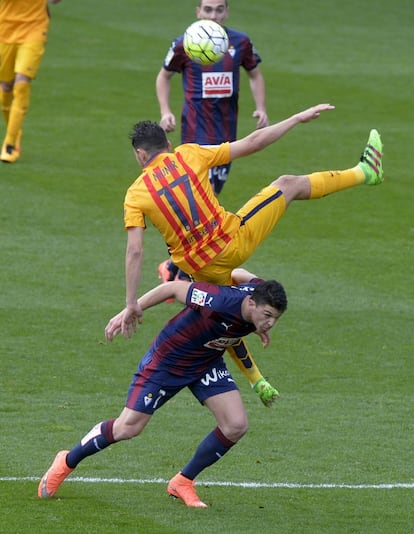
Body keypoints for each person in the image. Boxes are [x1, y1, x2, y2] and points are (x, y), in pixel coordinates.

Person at [117, 103, 384, 408]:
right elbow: (252, 142)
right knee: (288, 184)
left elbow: (135, 249)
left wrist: (130, 304)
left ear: (140, 155)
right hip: (233, 243)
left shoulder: (135, 194)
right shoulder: (188, 154)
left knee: (225, 314)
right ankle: (365, 171)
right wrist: (295, 117)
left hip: (200, 269)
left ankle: (256, 378)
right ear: (168, 144)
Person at [38, 268, 288, 507]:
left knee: (236, 425)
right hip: (168, 362)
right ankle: (67, 461)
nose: (270, 324)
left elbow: (239, 274)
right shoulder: (219, 301)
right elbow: (173, 288)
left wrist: (257, 326)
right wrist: (132, 308)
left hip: (206, 362)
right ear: (252, 304)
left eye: (275, 318)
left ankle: (183, 481)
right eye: (267, 316)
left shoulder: (258, 292)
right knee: (128, 427)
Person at [156, 0, 268, 283]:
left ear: (227, 11)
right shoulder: (186, 43)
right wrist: (165, 111)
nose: (214, 15)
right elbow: (164, 76)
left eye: (219, 9)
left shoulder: (240, 43)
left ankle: (173, 267)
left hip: (227, 136)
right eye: (208, 9)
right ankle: (182, 273)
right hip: (195, 136)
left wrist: (261, 107)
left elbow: (255, 73)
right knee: (202, 201)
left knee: (206, 200)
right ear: (198, 11)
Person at [0, 0, 62, 164]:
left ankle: (10, 144)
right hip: (5, 31)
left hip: (34, 30)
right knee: (5, 87)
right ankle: (15, 130)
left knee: (21, 83)